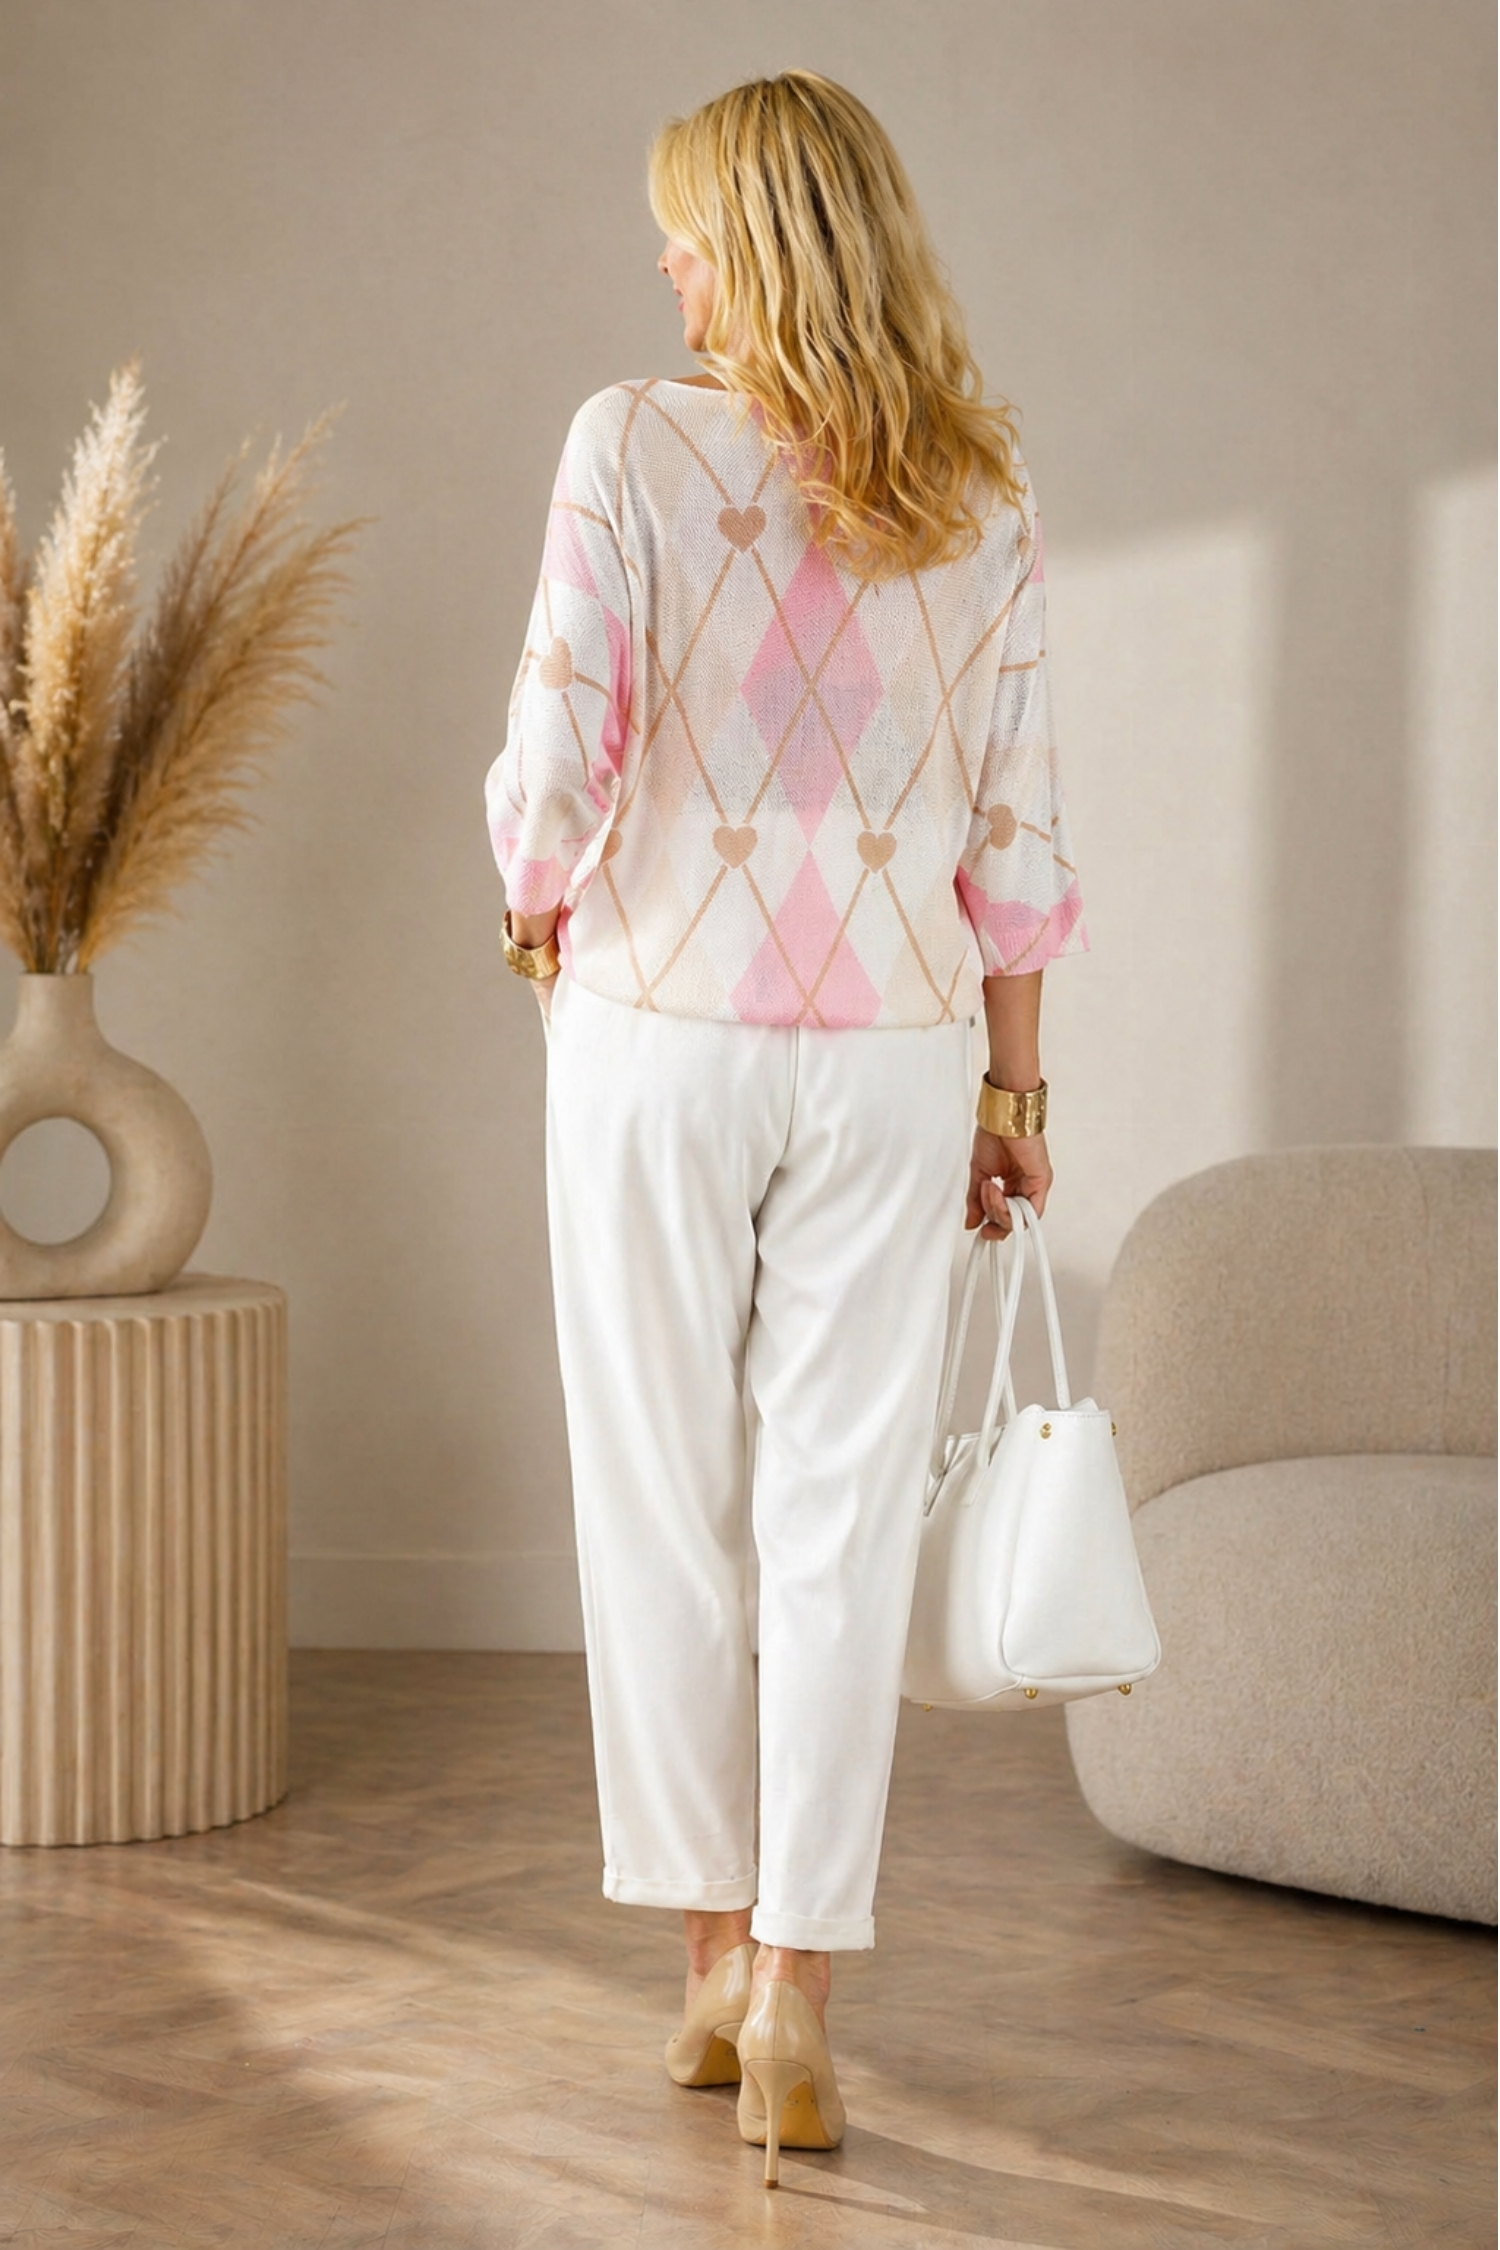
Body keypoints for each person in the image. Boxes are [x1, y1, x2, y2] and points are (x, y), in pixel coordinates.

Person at [484, 69, 1089, 2186]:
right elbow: (1019, 829)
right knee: (838, 1521)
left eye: (687, 229)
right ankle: (805, 2000)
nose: (665, 266)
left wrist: (529, 906)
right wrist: (1013, 1087)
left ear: (751, 244)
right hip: (897, 1047)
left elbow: (559, 756)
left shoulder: (628, 442)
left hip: (660, 1028)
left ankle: (710, 1966)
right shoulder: (984, 489)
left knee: (661, 1498)